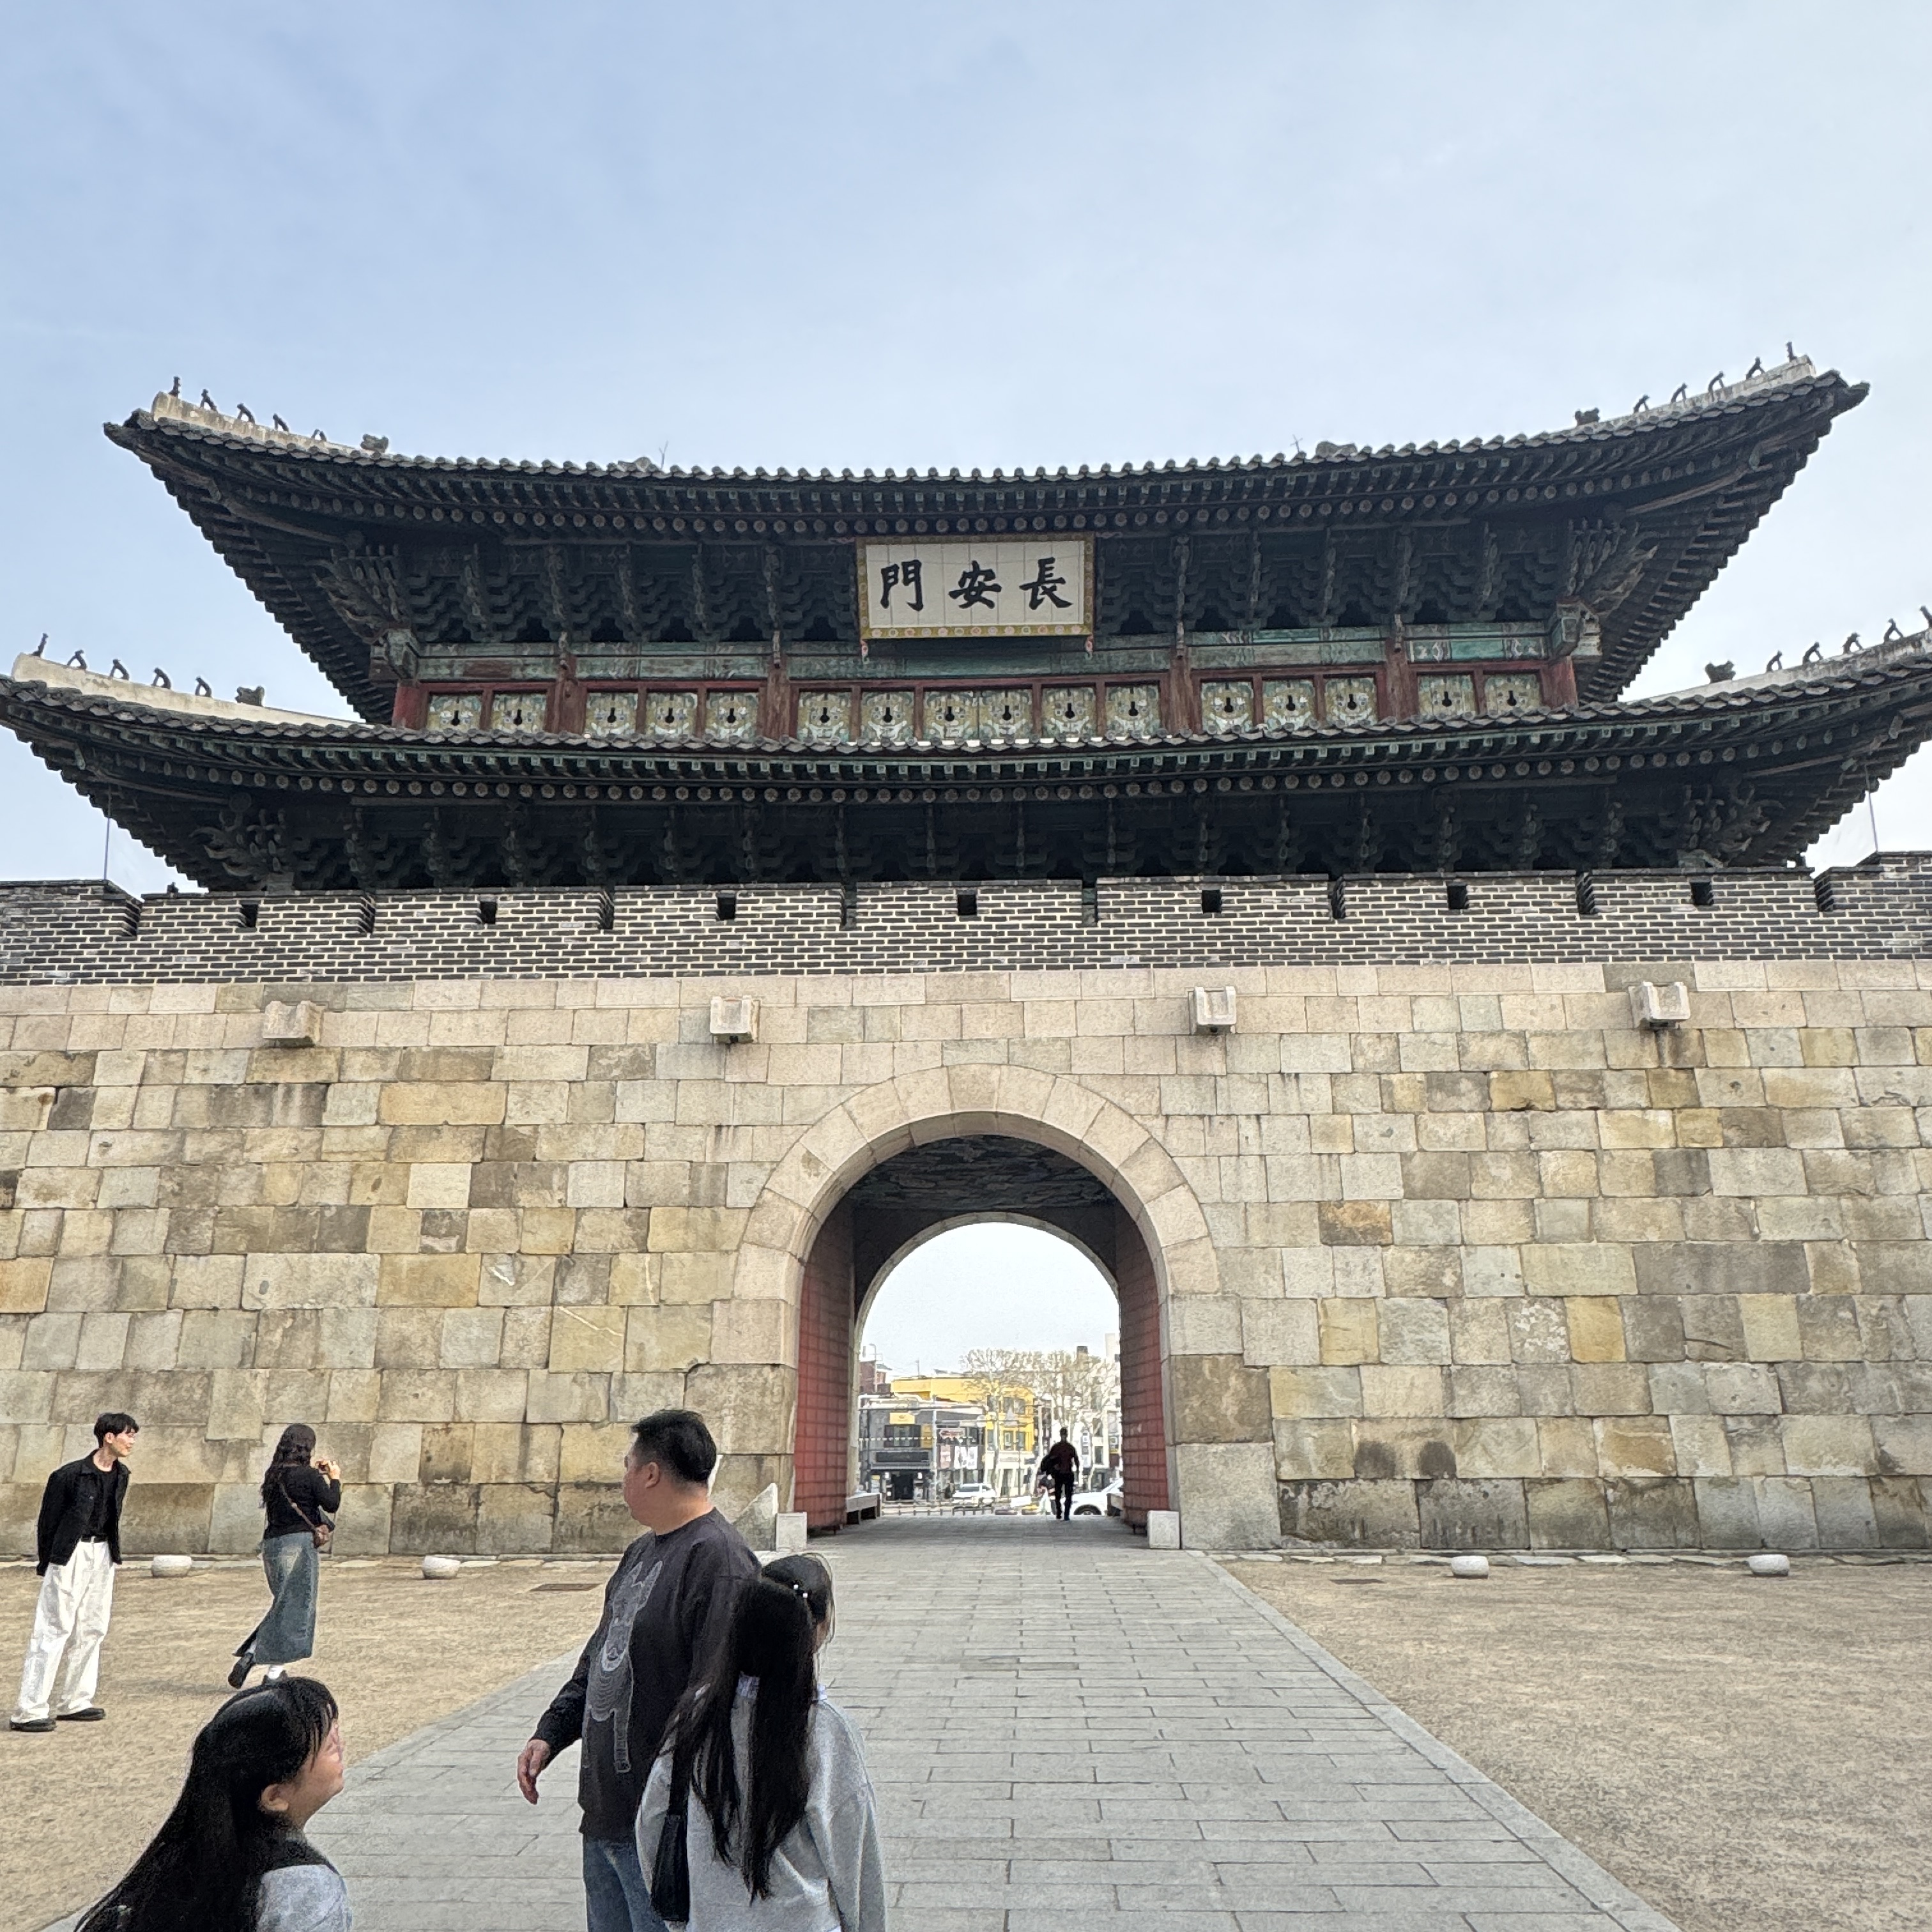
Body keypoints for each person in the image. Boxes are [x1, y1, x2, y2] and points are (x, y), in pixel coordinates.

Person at [519, 1408, 760, 1932]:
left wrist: (679, 1808)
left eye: (627, 1466)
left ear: (651, 1473)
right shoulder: (641, 1552)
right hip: (606, 1813)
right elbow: (602, 1652)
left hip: (660, 1823)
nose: (623, 1477)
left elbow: (716, 1698)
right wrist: (551, 1732)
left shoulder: (721, 1563)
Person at [636, 1553, 885, 1932]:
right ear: (817, 1630)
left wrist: (681, 1922)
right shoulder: (824, 1730)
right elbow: (856, 1858)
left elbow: (652, 1821)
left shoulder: (698, 1715)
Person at [75, 1675, 350, 1932]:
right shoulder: (305, 1889)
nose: (341, 1747)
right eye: (330, 1747)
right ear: (275, 1797)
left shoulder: (178, 1863)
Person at [10, 1411, 138, 1733]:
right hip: (70, 1553)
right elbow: (48, 1522)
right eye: (128, 1434)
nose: (132, 1441)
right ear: (109, 1437)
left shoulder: (122, 1475)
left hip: (103, 1552)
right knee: (54, 1627)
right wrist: (50, 1561)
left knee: (94, 1626)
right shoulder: (68, 1476)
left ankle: (76, 1700)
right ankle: (29, 1709)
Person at [231, 1425, 341, 1690]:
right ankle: (274, 1672)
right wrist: (334, 1478)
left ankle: (252, 1653)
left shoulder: (274, 1475)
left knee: (284, 1604)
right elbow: (332, 1503)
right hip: (298, 1546)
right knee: (297, 1607)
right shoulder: (309, 1475)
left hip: (272, 1545)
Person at [1038, 1427, 1080, 1522]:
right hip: (1066, 1473)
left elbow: (1049, 1459)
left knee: (1059, 1494)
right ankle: (1065, 1514)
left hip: (1060, 1474)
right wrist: (1077, 1472)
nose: (1064, 1436)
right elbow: (1076, 1461)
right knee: (1067, 1495)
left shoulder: (1056, 1447)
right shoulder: (1070, 1447)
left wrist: (1052, 1469)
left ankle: (1060, 1512)